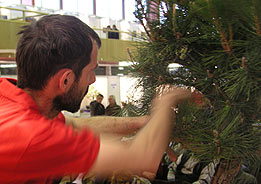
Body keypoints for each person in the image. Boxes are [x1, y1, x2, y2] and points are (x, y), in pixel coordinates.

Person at [0, 14, 191, 183]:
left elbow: (76, 126)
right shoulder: (29, 135)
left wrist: (142, 122)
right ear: (65, 80)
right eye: (91, 71)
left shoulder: (13, 100)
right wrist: (166, 100)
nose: (92, 79)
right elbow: (141, 157)